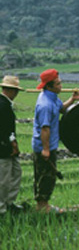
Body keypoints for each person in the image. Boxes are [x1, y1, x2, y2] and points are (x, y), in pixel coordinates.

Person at [32, 69, 79, 212]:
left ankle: (43, 204)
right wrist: (46, 149)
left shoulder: (52, 97)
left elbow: (61, 109)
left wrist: (73, 99)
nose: (61, 86)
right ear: (49, 86)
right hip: (44, 145)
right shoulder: (45, 104)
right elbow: (45, 129)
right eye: (58, 84)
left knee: (48, 174)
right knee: (45, 175)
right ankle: (42, 206)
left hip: (50, 143)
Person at [0, 76, 25, 215]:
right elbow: (4, 129)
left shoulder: (5, 104)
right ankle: (1, 209)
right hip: (3, 147)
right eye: (16, 91)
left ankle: (9, 202)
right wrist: (12, 143)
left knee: (16, 172)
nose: (16, 94)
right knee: (3, 179)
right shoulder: (2, 105)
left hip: (7, 145)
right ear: (11, 90)